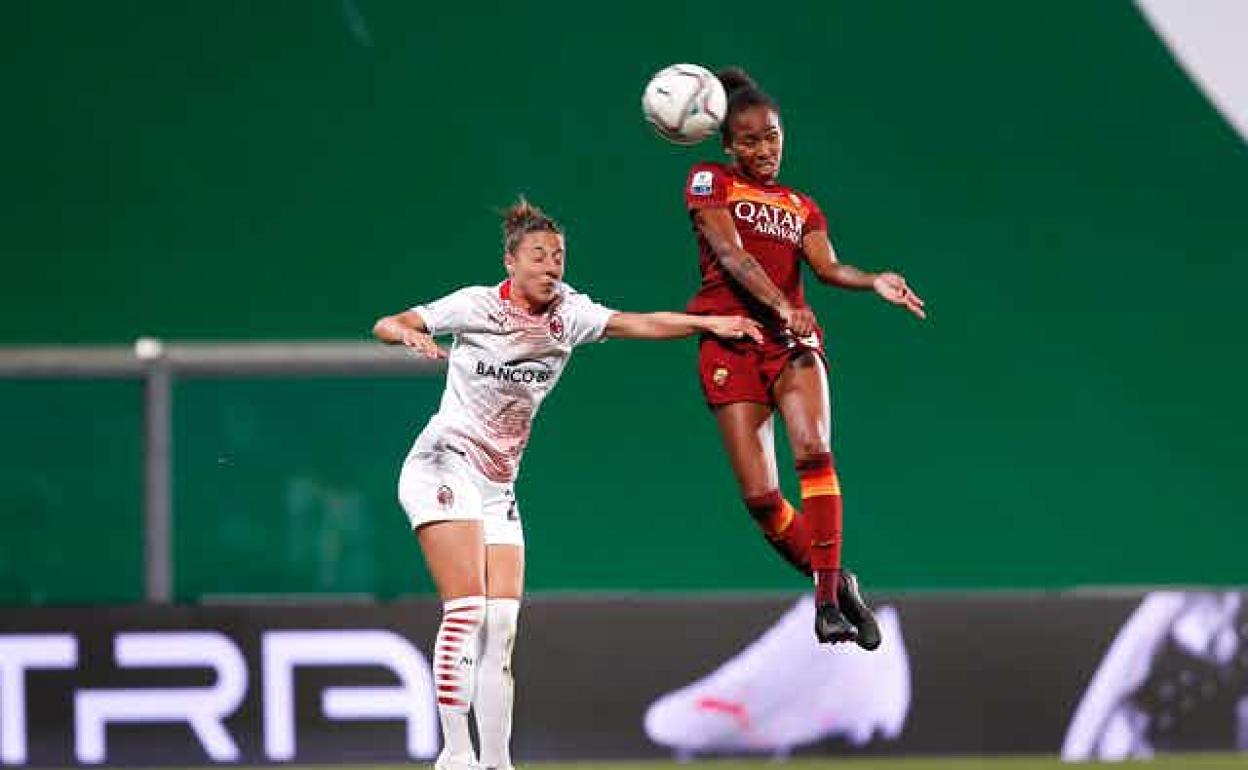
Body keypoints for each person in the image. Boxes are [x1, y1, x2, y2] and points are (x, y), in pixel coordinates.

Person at [372, 197, 762, 770]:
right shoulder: (476, 305)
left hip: (497, 486)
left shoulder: (569, 315)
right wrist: (409, 336)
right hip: (442, 462)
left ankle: (497, 762)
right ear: (510, 262)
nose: (551, 265)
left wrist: (707, 324)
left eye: (558, 256)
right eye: (538, 255)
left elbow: (637, 322)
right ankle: (455, 755)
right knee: (468, 610)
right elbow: (387, 323)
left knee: (502, 627)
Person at [683, 67, 927, 647]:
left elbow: (827, 267)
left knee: (814, 452)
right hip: (731, 338)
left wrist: (872, 280)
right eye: (750, 140)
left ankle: (825, 606)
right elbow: (732, 255)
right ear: (729, 145)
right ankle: (839, 582)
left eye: (772, 137)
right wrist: (779, 305)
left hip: (791, 341)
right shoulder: (709, 181)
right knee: (762, 501)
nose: (764, 150)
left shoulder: (801, 206)